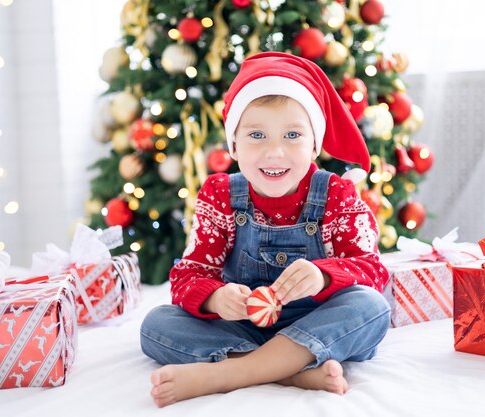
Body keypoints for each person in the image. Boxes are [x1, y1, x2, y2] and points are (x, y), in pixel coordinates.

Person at [140, 51, 391, 408]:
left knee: (372, 306)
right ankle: (290, 372)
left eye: (292, 135)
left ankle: (229, 372)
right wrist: (215, 298)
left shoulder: (336, 194)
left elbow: (372, 269)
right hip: (244, 327)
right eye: (257, 135)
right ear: (234, 145)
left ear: (315, 144)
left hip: (317, 323)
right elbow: (188, 276)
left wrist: (322, 276)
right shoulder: (220, 195)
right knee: (157, 324)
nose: (275, 152)